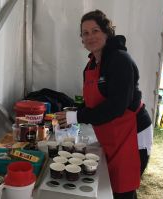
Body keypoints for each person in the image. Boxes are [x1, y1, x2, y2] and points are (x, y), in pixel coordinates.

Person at [55, 10, 153, 199]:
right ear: (82, 40)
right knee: (109, 187)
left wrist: (77, 117)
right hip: (111, 134)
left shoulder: (119, 60)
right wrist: (73, 114)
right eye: (85, 33)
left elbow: (117, 106)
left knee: (123, 190)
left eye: (95, 30)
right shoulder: (91, 65)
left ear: (107, 32)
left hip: (131, 135)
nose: (90, 36)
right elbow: (91, 102)